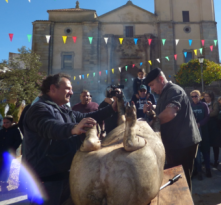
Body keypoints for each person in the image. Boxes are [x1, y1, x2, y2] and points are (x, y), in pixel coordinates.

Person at [23, 73, 120, 205]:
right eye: (68, 88)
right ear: (52, 89)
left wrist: (111, 109)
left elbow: (89, 116)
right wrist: (73, 128)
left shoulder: (63, 110)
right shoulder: (38, 109)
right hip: (45, 181)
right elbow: (50, 127)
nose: (72, 92)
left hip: (65, 176)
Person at [143, 68, 201, 192]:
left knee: (181, 181)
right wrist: (152, 108)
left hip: (183, 144)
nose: (151, 89)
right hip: (174, 143)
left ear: (161, 79)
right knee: (175, 180)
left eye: (152, 85)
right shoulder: (164, 93)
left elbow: (170, 113)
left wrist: (149, 125)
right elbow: (164, 109)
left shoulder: (174, 90)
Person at [190, 90, 210, 180]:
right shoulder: (190, 106)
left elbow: (207, 116)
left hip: (204, 131)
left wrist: (200, 123)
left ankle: (208, 169)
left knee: (205, 151)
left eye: (196, 96)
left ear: (199, 96)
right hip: (194, 132)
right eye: (193, 96)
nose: (194, 98)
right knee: (196, 153)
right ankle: (198, 171)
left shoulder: (204, 105)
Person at [0, 116, 22, 192]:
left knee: (6, 168)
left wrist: (13, 148)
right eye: (4, 123)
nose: (5, 124)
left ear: (11, 122)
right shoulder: (1, 131)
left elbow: (19, 140)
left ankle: (4, 184)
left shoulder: (15, 131)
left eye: (7, 122)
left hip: (9, 153)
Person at [203, 92, 221, 168]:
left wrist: (206, 115)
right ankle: (206, 160)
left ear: (211, 97)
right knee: (206, 144)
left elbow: (215, 112)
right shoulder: (203, 103)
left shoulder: (215, 103)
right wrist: (208, 113)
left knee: (215, 145)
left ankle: (216, 160)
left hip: (214, 126)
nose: (205, 98)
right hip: (206, 126)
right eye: (204, 96)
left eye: (207, 96)